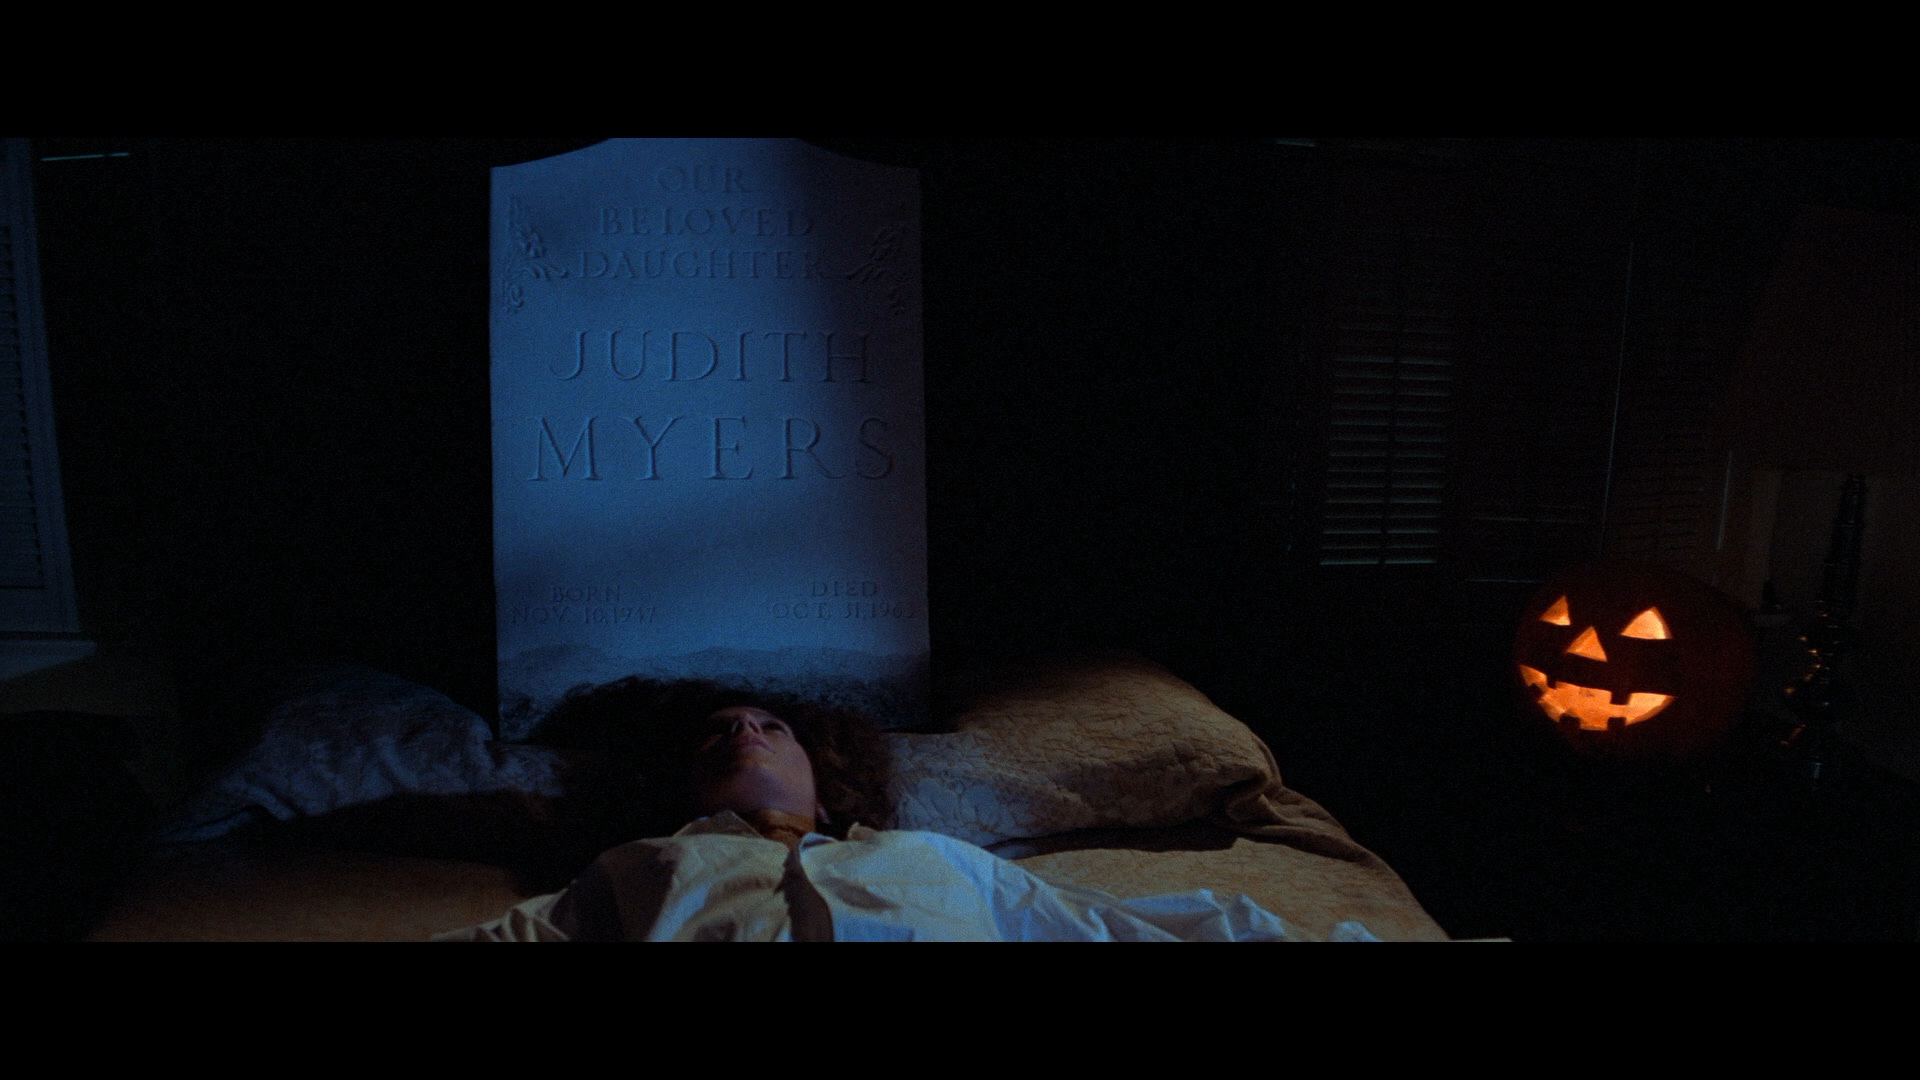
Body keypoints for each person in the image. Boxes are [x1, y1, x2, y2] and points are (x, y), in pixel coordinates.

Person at [437, 678, 1368, 942]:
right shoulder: (641, 864)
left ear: (821, 773)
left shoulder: (933, 858)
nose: (747, 731)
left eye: (770, 726)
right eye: (720, 732)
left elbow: (1104, 927)